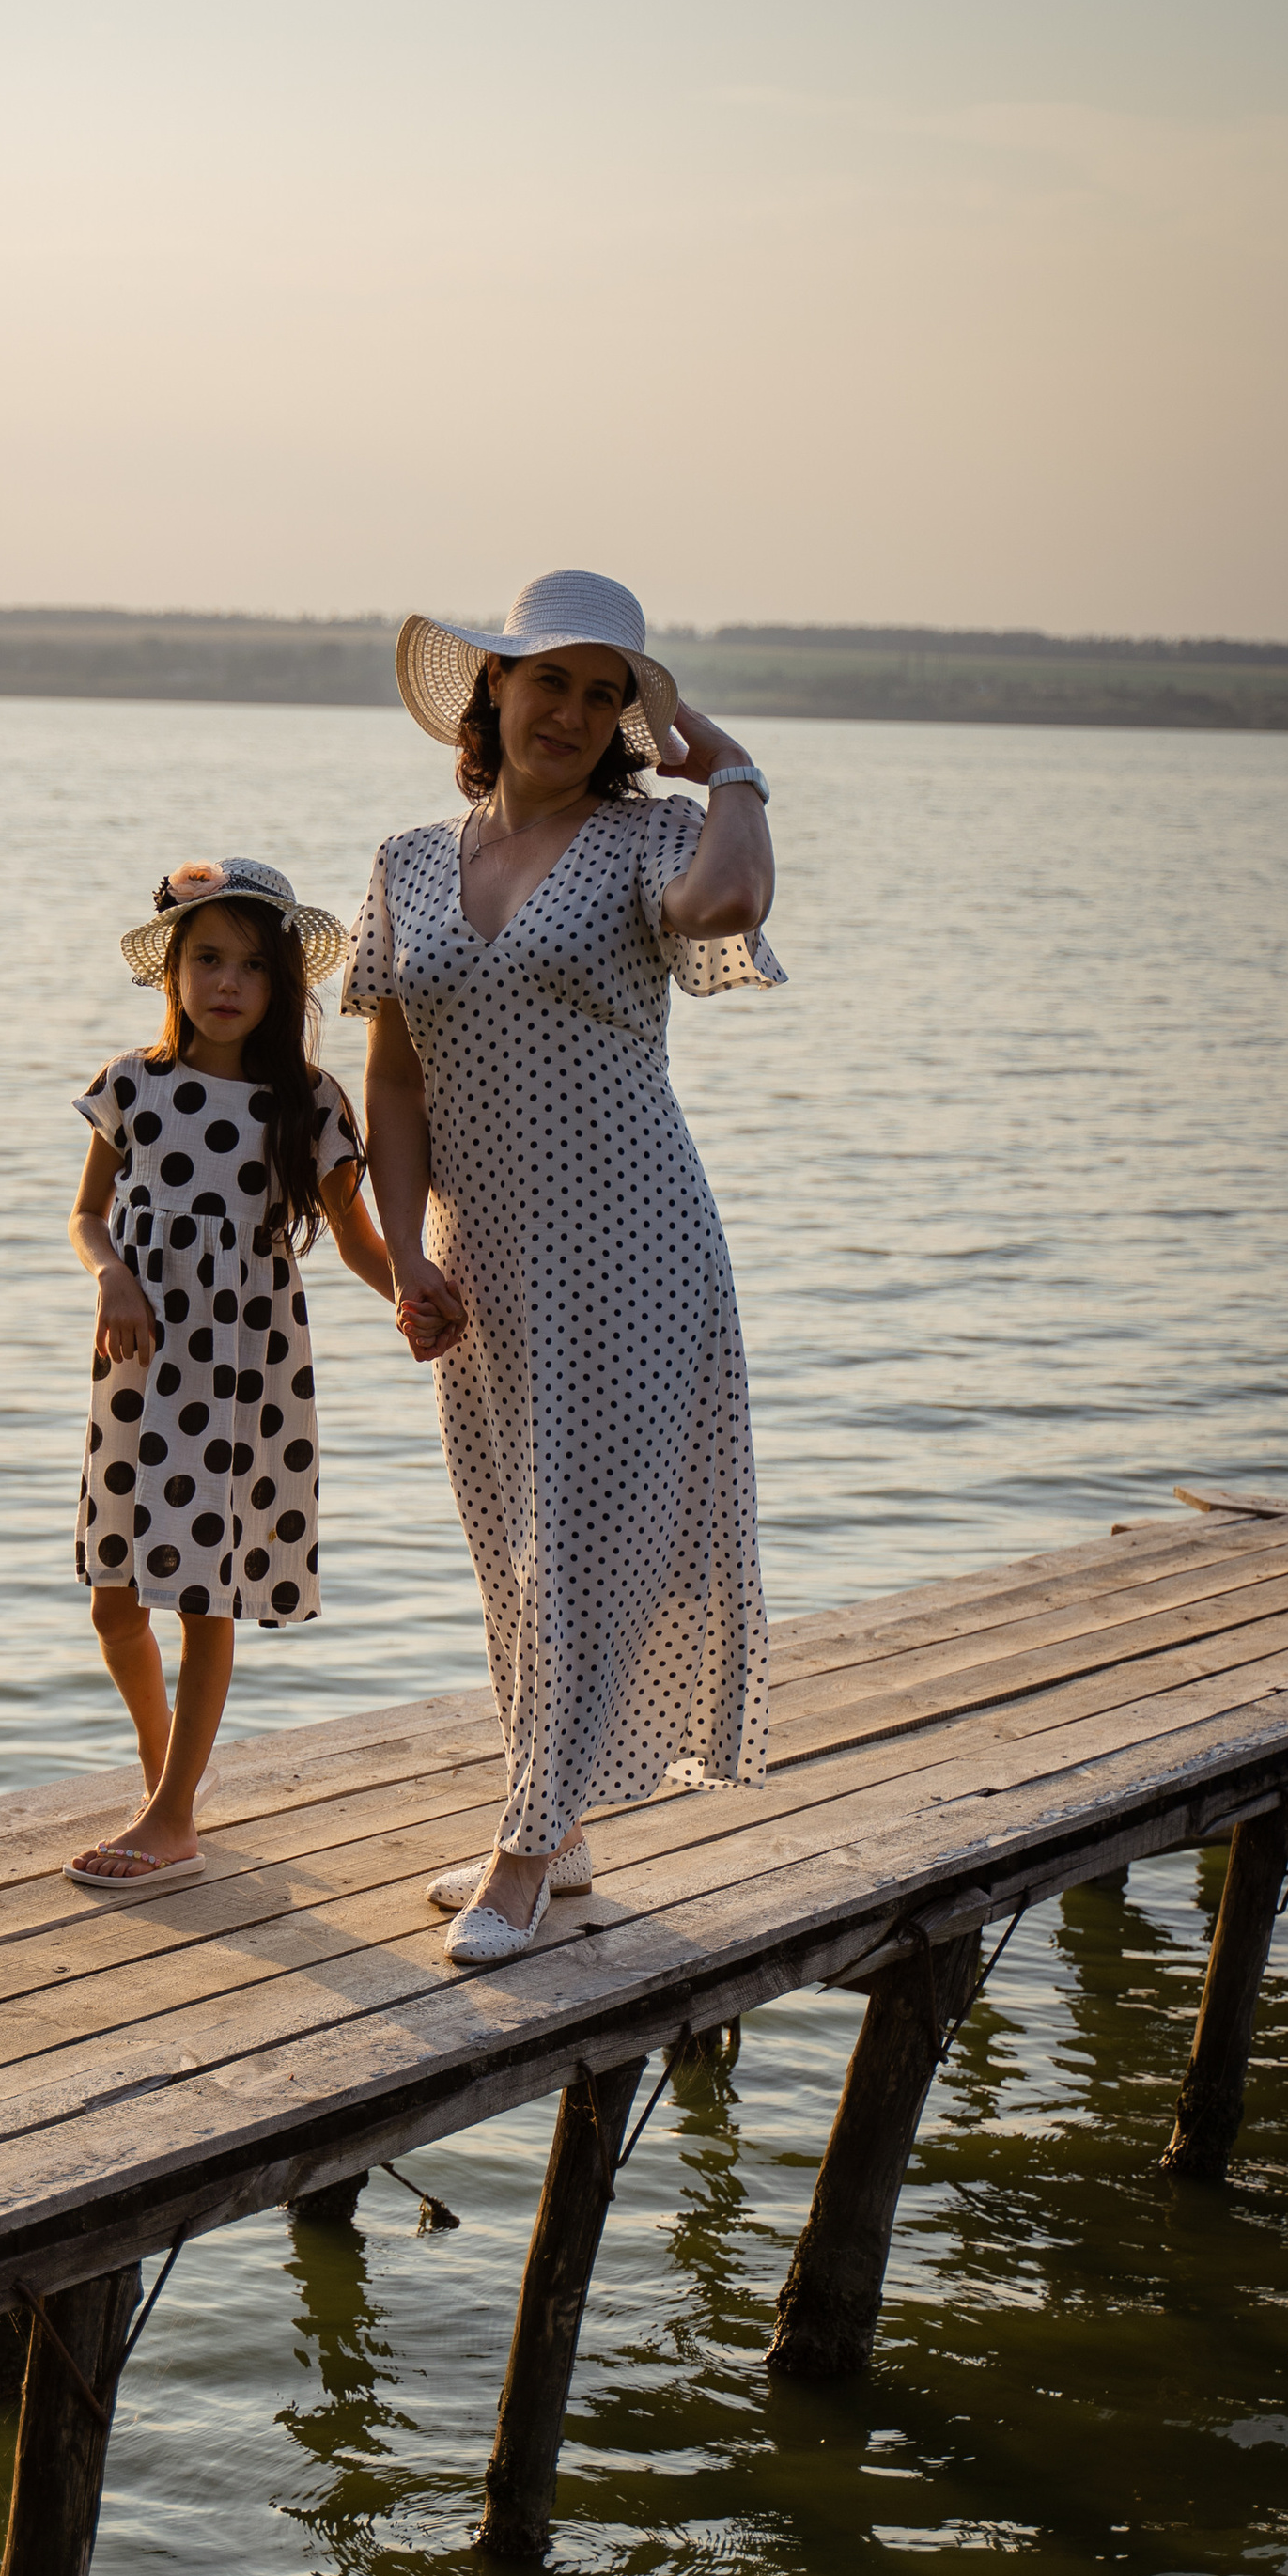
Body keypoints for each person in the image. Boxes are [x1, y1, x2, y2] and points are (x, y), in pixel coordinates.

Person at [344, 570, 784, 1967]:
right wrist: (404, 1249)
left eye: (609, 695)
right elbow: (394, 1080)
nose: (577, 715)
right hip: (486, 1259)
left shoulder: (652, 839)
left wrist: (735, 771)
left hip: (635, 1243)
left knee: (583, 1543)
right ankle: (563, 1819)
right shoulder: (411, 860)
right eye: (555, 684)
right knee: (512, 1547)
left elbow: (728, 904)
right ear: (495, 692)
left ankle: (529, 1852)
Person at [65, 855, 396, 1890]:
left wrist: (420, 1300)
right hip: (137, 1361)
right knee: (114, 1602)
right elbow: (83, 1216)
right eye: (206, 959)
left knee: (203, 1592)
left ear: (282, 988)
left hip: (243, 1369)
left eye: (252, 968)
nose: (226, 984)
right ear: (172, 970)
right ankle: (170, 1775)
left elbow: (353, 1241)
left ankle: (172, 1818)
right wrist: (112, 1272)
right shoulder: (133, 1085)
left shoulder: (309, 1105)